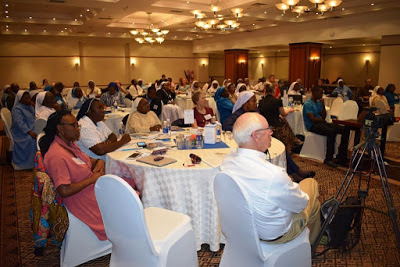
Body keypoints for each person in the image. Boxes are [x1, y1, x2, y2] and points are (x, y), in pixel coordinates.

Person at [220, 112, 321, 243]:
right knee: (311, 186)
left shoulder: (227, 163)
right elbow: (300, 204)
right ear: (255, 136)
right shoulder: (273, 175)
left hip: (241, 230)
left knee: (308, 200)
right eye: (267, 129)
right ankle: (310, 246)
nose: (271, 133)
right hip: (273, 235)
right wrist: (290, 188)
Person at [40, 111, 136, 241]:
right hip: (82, 199)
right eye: (73, 125)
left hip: (92, 188)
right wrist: (92, 179)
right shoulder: (57, 155)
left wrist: (99, 162)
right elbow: (63, 190)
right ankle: (133, 230)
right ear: (60, 128)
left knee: (130, 182)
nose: (77, 129)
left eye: (77, 125)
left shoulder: (69, 145)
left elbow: (87, 160)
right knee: (131, 194)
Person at [303, 86, 351, 167]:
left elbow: (323, 116)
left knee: (344, 129)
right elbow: (312, 119)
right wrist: (322, 120)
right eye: (320, 93)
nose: (322, 95)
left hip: (321, 123)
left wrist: (323, 105)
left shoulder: (319, 102)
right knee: (331, 132)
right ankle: (328, 158)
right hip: (312, 126)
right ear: (315, 93)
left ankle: (341, 156)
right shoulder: (308, 103)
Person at [258, 84, 303, 153]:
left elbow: (268, 112)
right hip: (275, 126)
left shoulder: (261, 101)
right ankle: (291, 146)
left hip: (265, 124)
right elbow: (283, 114)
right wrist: (290, 110)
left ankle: (295, 140)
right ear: (274, 91)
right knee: (286, 125)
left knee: (284, 122)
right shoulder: (277, 101)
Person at [11, 90, 37, 170]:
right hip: (21, 132)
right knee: (31, 140)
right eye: (25, 99)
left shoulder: (29, 106)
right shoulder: (17, 109)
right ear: (20, 99)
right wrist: (30, 132)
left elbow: (35, 117)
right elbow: (20, 124)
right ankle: (26, 164)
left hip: (31, 128)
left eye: (29, 98)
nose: (28, 100)